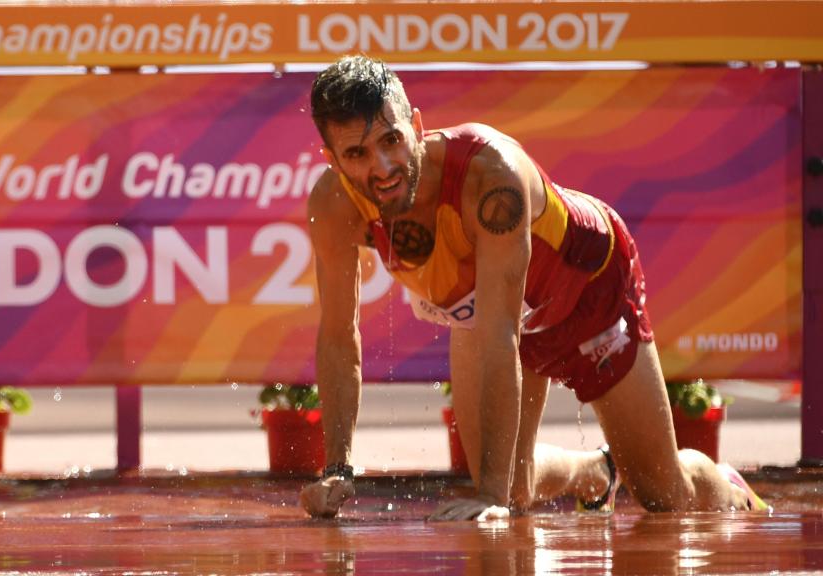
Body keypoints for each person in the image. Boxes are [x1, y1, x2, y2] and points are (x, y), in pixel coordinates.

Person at [299, 55, 768, 521]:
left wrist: (490, 496)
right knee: (513, 487)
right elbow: (340, 337)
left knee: (664, 496)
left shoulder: (490, 177)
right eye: (357, 155)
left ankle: (729, 488)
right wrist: (337, 469)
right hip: (488, 311)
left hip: (587, 288)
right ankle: (595, 472)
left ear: (417, 126)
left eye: (392, 140)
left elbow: (502, 335)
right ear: (332, 160)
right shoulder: (334, 205)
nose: (383, 167)